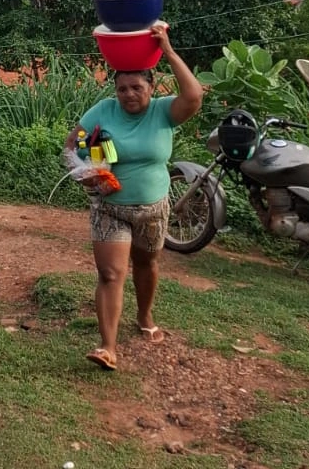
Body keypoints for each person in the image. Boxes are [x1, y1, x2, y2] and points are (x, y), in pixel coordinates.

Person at [65, 19, 204, 371]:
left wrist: (168, 50)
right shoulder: (102, 112)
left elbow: (194, 96)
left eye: (136, 87)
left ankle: (144, 315)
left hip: (154, 209)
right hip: (109, 208)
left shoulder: (163, 112)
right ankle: (107, 347)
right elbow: (73, 145)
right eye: (122, 88)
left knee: (147, 264)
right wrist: (85, 173)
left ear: (150, 87)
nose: (129, 94)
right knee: (111, 274)